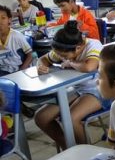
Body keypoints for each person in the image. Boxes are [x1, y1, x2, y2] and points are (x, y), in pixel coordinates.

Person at [34, 21, 109, 149]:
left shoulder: (93, 45)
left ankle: (86, 154)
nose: (60, 57)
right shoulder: (63, 48)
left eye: (64, 55)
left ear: (78, 48)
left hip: (99, 88)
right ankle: (69, 147)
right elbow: (43, 59)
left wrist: (70, 63)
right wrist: (40, 66)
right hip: (76, 88)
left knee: (70, 118)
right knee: (41, 117)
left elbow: (89, 66)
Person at [0, 5, 33, 75]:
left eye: (3, 18)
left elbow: (30, 55)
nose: (0, 21)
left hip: (16, 70)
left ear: (9, 20)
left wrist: (21, 71)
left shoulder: (16, 36)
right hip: (2, 69)